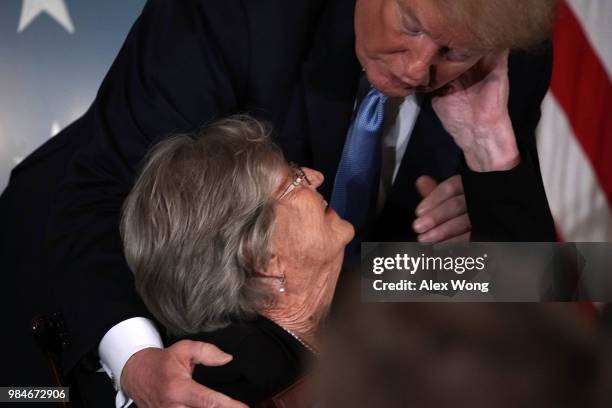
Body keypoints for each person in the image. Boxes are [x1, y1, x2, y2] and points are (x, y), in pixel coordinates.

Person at [0, 0, 557, 406]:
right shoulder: (245, 14)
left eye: (454, 52)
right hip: (73, 292)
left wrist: (491, 155)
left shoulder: (503, 62)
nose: (416, 70)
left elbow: (548, 291)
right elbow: (96, 190)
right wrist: (137, 365)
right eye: (410, 25)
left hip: (334, 305)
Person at [119, 115, 351, 404]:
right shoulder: (239, 382)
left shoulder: (349, 291)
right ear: (263, 258)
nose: (316, 176)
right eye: (295, 180)